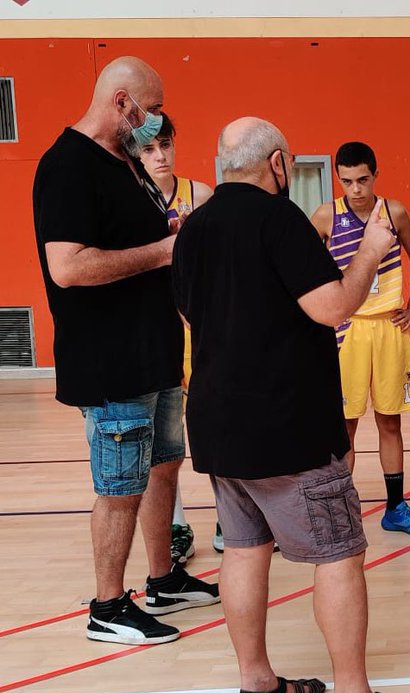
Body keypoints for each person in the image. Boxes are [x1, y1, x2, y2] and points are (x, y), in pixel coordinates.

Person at [172, 117, 410, 693]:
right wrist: (371, 251)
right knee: (339, 553)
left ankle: (257, 685)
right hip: (288, 427)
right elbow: (334, 306)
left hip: (218, 426)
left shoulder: (195, 227)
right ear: (280, 163)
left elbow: (186, 308)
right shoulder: (279, 218)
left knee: (242, 548)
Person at [32, 56, 219, 646]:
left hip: (155, 350)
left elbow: (131, 241)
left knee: (164, 465)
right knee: (120, 485)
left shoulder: (125, 164)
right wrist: (161, 254)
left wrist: (169, 235)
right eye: (152, 107)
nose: (155, 121)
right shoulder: (67, 165)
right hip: (111, 360)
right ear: (121, 102)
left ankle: (162, 578)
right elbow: (67, 267)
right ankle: (108, 607)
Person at [310, 141, 410, 537]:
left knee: (389, 422)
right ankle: (342, 510)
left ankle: (396, 507)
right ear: (339, 180)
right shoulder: (326, 215)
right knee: (344, 425)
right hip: (346, 332)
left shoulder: (394, 212)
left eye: (363, 179)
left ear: (375, 175)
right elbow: (306, 272)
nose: (356, 189)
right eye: (347, 181)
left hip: (388, 328)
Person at [138, 112, 215, 564]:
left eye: (165, 144)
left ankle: (233, 516)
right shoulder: (132, 200)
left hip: (199, 327)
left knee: (215, 421)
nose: (160, 155)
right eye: (149, 149)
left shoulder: (200, 195)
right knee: (165, 441)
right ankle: (177, 524)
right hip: (154, 330)